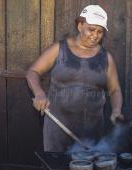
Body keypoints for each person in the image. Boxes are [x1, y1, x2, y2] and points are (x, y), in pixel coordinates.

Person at [26, 5, 123, 152]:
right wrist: (39, 93)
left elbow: (115, 89)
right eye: (91, 29)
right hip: (58, 127)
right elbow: (32, 72)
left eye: (100, 31)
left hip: (92, 130)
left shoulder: (106, 58)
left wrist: (116, 110)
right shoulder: (60, 49)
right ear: (80, 25)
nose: (95, 35)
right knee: (57, 169)